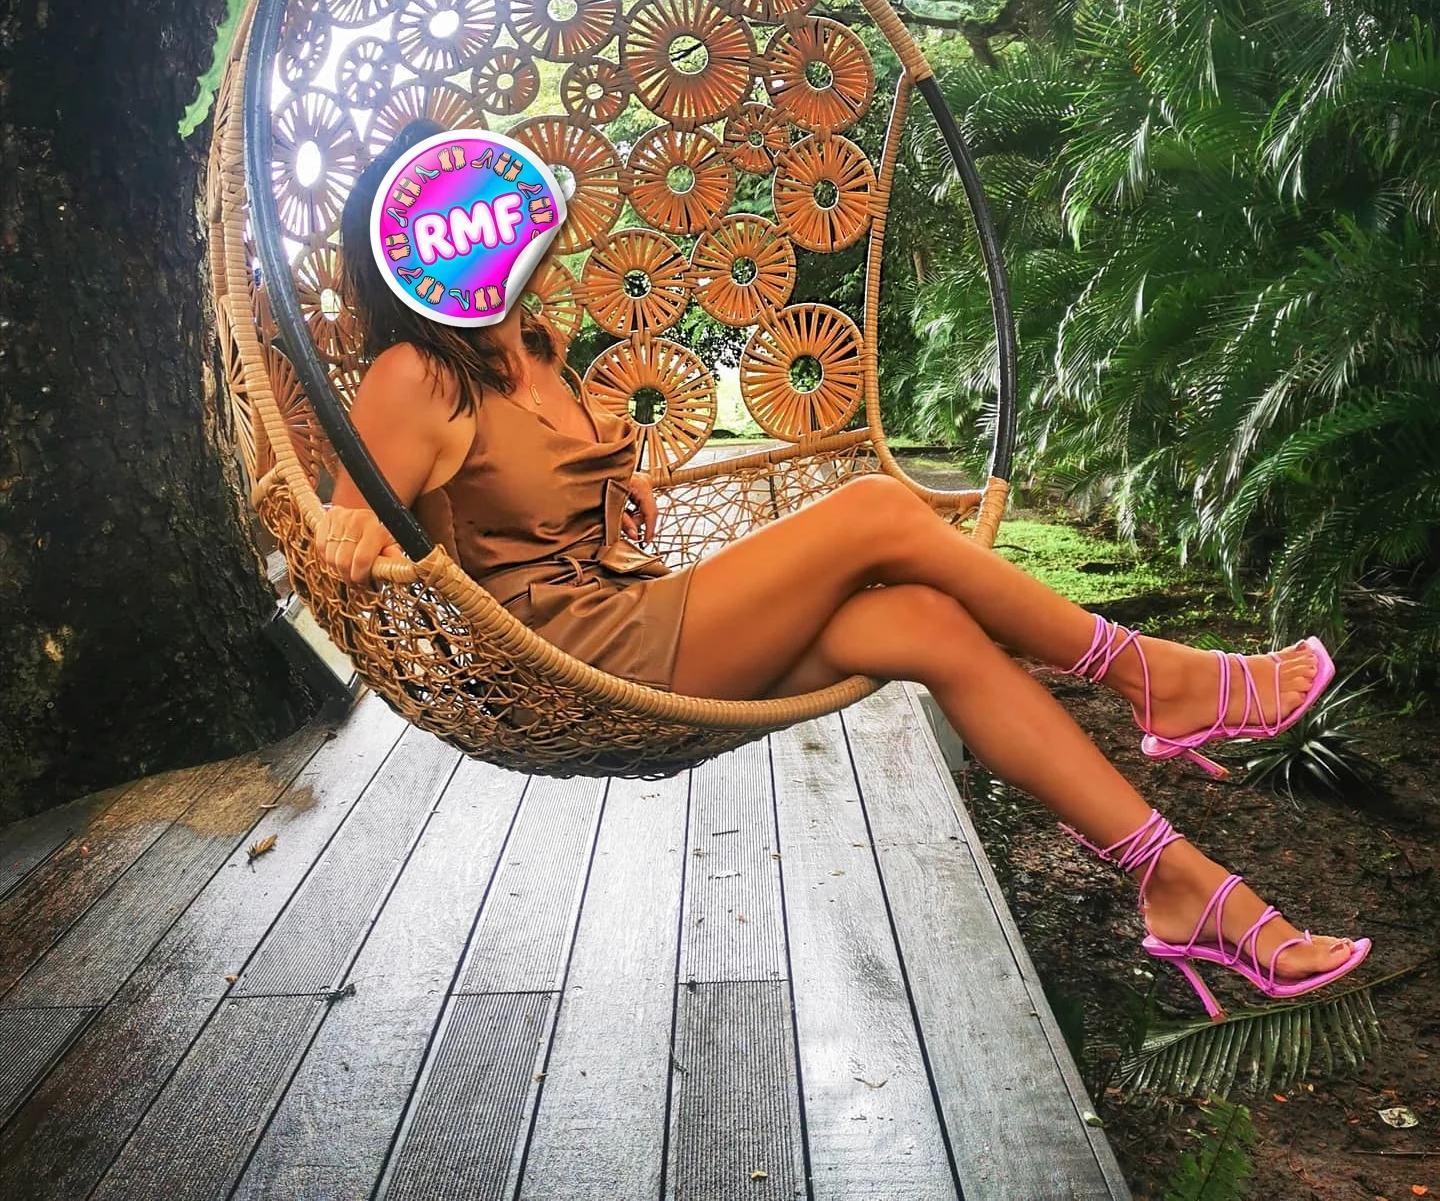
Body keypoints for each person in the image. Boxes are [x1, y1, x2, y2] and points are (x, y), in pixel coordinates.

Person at [317, 125, 1369, 1021]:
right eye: (461, 217)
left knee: (924, 621)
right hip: (571, 660)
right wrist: (355, 539)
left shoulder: (533, 347)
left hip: (634, 609)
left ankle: (1176, 882)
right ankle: (1151, 674)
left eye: (498, 202)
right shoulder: (415, 374)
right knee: (873, 507)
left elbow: (518, 485)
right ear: (413, 251)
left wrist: (609, 477)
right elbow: (346, 524)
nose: (495, 227)